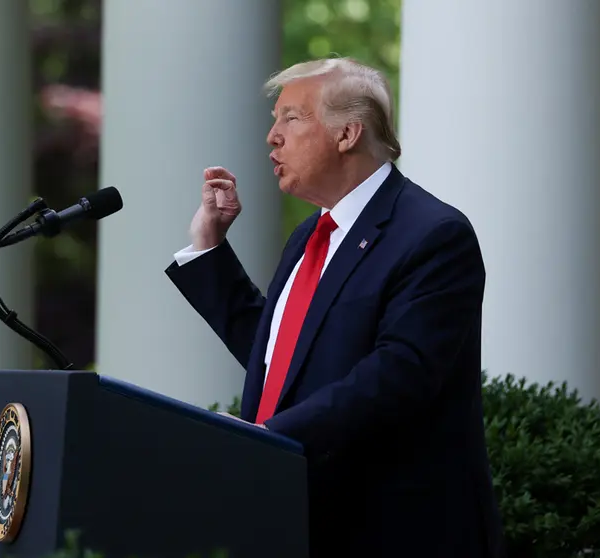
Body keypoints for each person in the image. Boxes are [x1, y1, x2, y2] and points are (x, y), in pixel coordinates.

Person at [164, 58, 505, 557]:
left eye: (290, 118)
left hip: (395, 532)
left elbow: (399, 374)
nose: (271, 137)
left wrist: (264, 439)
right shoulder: (309, 236)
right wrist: (209, 251)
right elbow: (286, 361)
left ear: (347, 134)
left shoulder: (433, 234)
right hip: (301, 521)